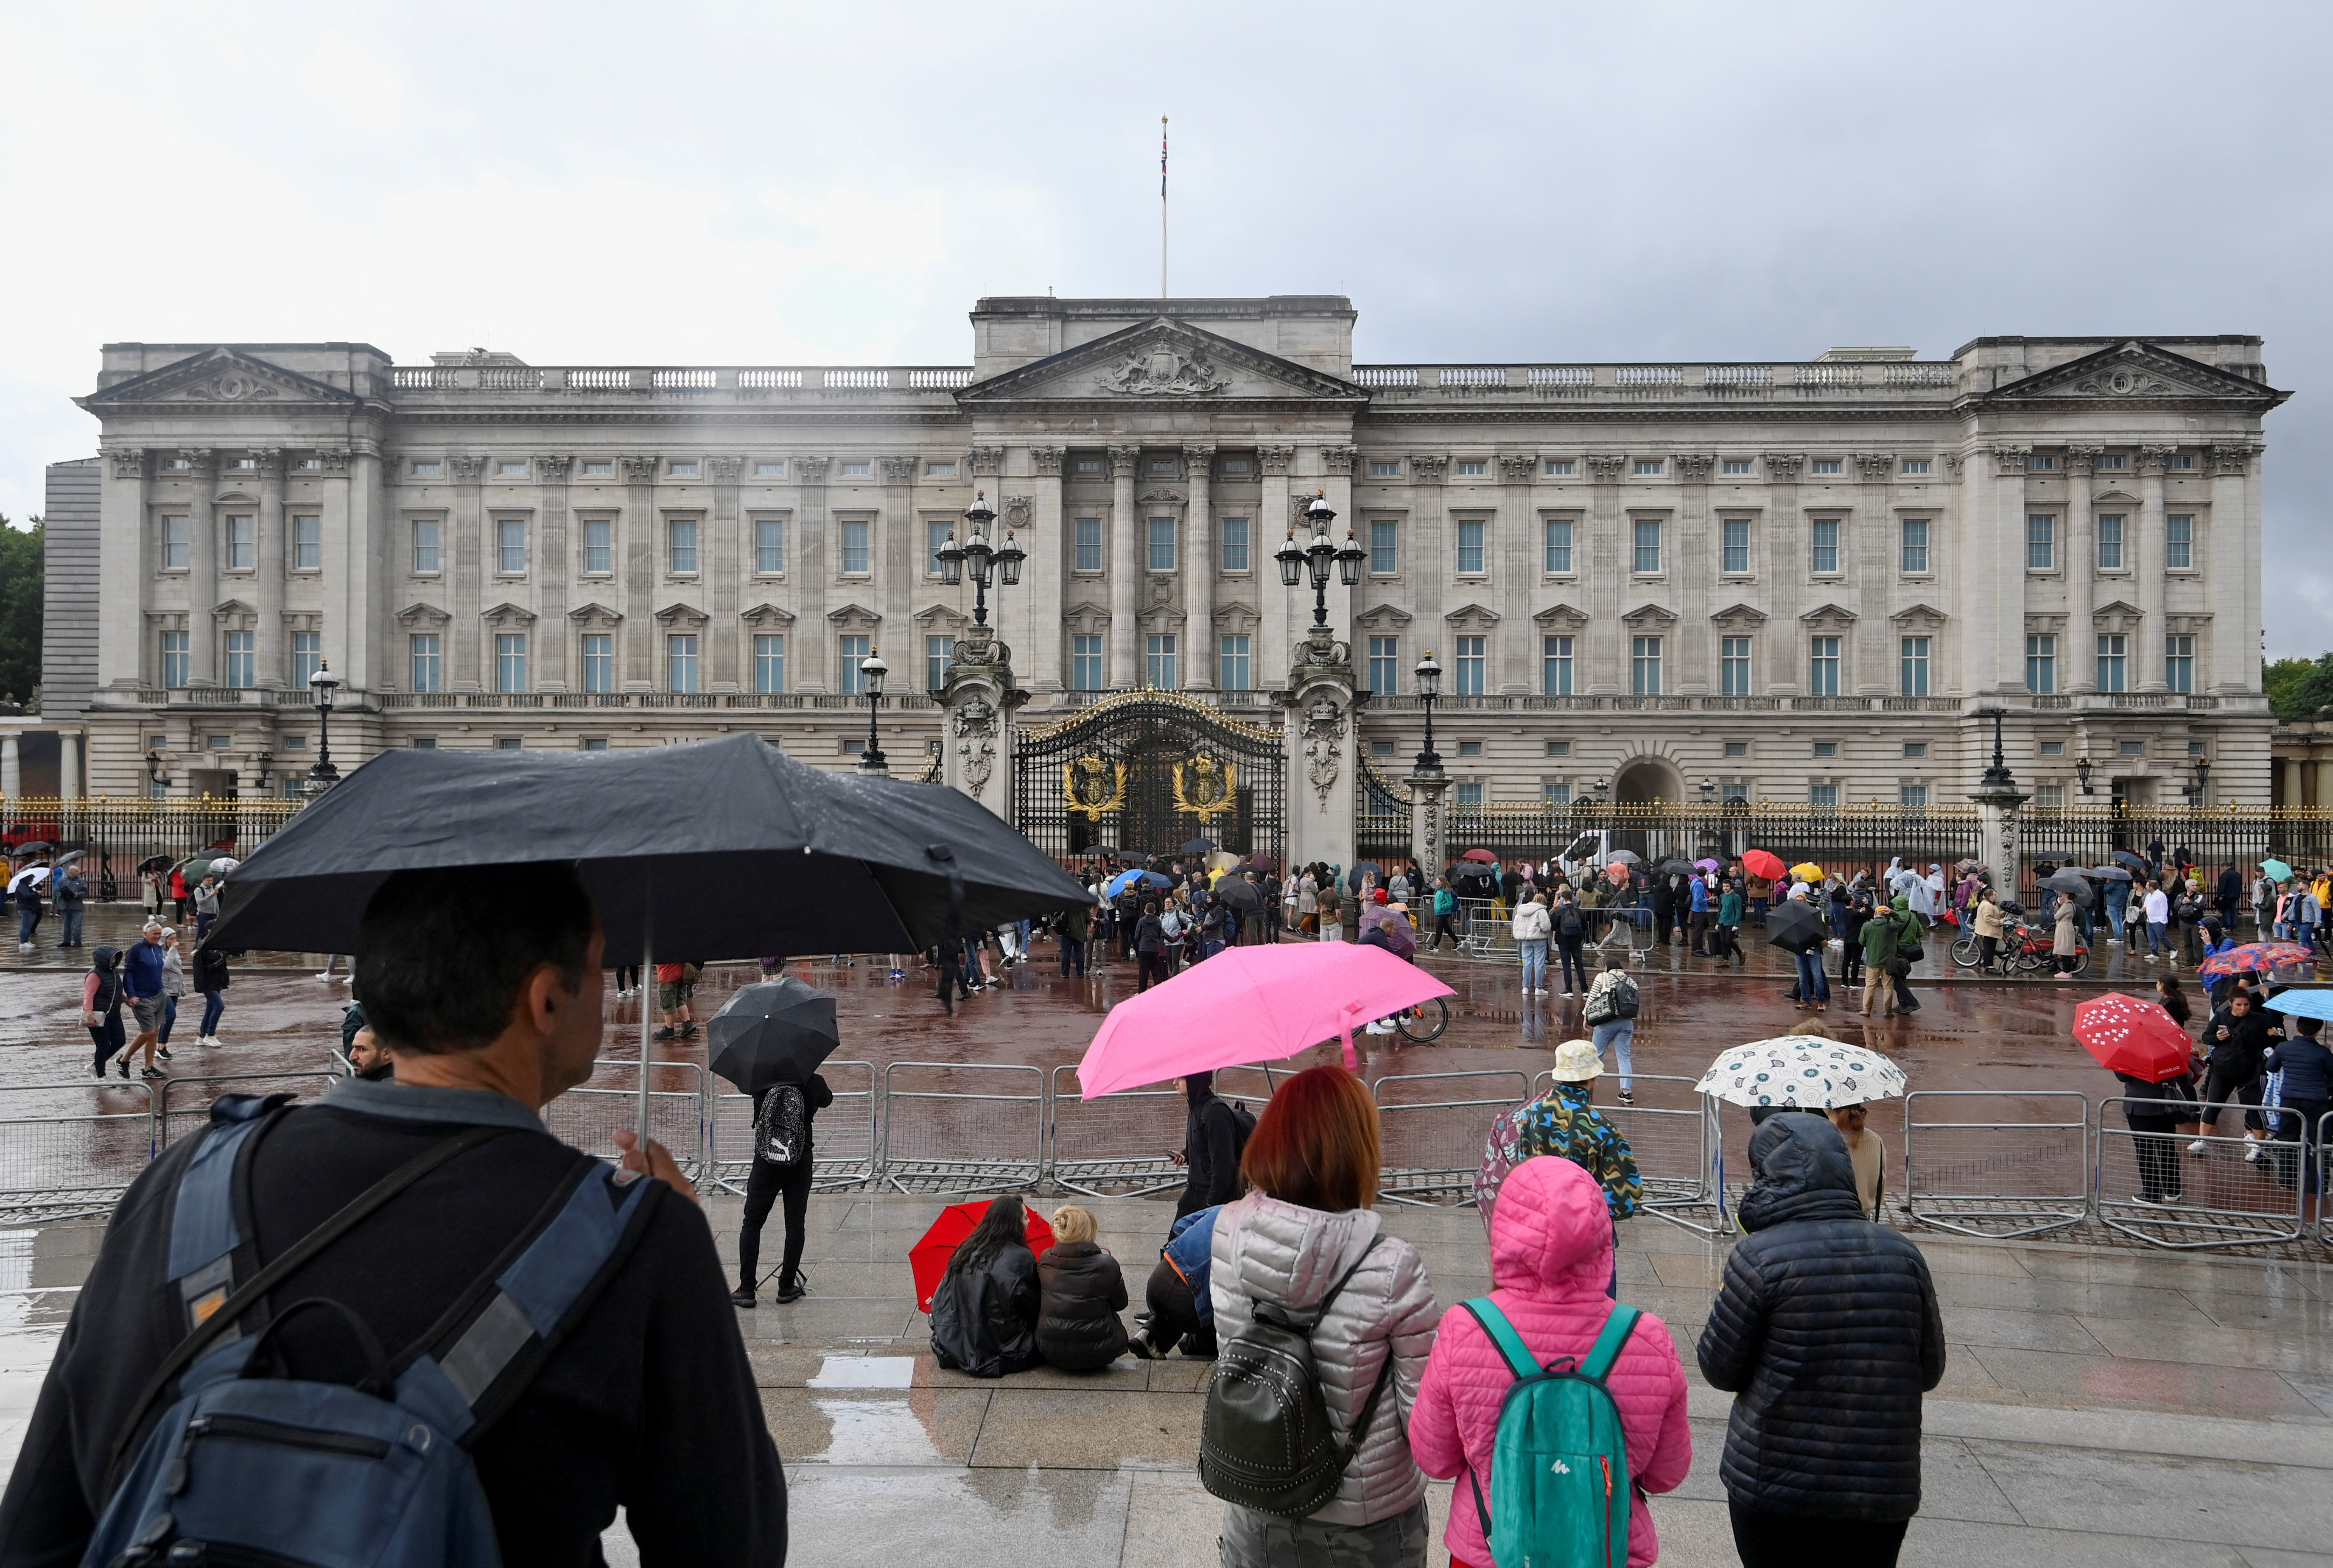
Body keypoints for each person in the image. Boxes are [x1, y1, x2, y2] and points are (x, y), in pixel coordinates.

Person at [0, 861, 787, 1566]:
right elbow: (732, 1543)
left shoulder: (182, 1180)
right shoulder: (642, 1238)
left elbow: (41, 1528)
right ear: (546, 998)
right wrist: (678, 1254)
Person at [1410, 1157, 1692, 1568]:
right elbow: (1666, 1474)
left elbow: (1435, 1457)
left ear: (1504, 1229)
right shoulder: (1646, 1336)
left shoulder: (1465, 1328)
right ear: (1600, 1232)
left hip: (1489, 1550)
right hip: (1605, 1550)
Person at [1211, 1066, 1437, 1567]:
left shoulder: (1227, 1231)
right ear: (1357, 1149)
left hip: (1258, 1503)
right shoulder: (1392, 1265)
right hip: (1367, 1527)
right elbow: (1427, 1428)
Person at [1697, 1115, 1945, 1568]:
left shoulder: (1759, 1256)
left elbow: (1719, 1368)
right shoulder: (1904, 1256)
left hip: (1774, 1480)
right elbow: (1928, 1371)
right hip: (1880, 1486)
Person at [732, 1071, 834, 1307]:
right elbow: (827, 1100)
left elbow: (748, 1093)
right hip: (799, 1161)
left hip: (766, 1163)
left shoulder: (761, 1080)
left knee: (752, 1223)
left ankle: (746, 1289)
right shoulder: (813, 1081)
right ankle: (786, 1285)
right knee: (795, 1224)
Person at [929, 1193, 1043, 1379]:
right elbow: (1032, 1308)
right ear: (1015, 1223)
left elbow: (942, 1301)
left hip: (956, 1344)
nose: (1029, 1221)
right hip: (1005, 1348)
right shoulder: (1021, 1258)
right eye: (1025, 1217)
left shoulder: (964, 1251)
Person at [1033, 1204, 1131, 1370]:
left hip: (1051, 1350)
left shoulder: (1045, 1259)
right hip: (1100, 1351)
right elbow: (1121, 1304)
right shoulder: (1107, 1264)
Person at [2194, 987, 2278, 1158]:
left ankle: (2257, 1146)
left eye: (2246, 1004)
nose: (2243, 1008)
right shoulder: (2221, 1017)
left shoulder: (2259, 1019)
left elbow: (2275, 1022)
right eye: (2239, 1005)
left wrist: (2267, 999)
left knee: (2253, 1109)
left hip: (2249, 1070)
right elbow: (2206, 1037)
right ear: (2231, 1004)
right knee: (2213, 1105)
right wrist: (2217, 1038)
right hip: (2222, 1069)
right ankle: (2202, 1140)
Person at [2266, 1015, 2333, 1216]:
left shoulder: (2284, 1048)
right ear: (2318, 1031)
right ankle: (2317, 1185)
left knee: (2288, 1139)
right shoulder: (2322, 1052)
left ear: (2297, 1028)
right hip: (2316, 1102)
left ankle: (2287, 1181)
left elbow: (2271, 1067)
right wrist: (2329, 1052)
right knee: (2318, 1143)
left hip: (2290, 1099)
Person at [1173, 1070, 1248, 1219]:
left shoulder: (1215, 1112)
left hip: (1216, 1198)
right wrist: (1186, 1154)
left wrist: (1210, 1203)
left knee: (1203, 1242)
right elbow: (1203, 1144)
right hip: (1195, 1192)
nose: (1175, 1082)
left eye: (1181, 1077)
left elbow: (1224, 1165)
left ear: (1195, 1080)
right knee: (1176, 1240)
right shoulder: (1196, 1107)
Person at [116, 920, 168, 1079]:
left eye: (160, 934)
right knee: (149, 1032)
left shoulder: (158, 948)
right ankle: (124, 1060)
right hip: (143, 998)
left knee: (156, 1032)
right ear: (145, 934)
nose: (158, 937)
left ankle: (148, 1068)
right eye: (155, 934)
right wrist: (131, 995)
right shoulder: (136, 950)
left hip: (159, 995)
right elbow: (129, 973)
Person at [1583, 957, 1639, 1102]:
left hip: (1606, 1021)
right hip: (1626, 1022)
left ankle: (1587, 1090)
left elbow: (1592, 998)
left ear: (1606, 967)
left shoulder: (1603, 977)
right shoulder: (1628, 979)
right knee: (1624, 1058)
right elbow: (1636, 990)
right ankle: (1626, 1092)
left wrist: (1586, 1016)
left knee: (1597, 1056)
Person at [1829, 1100, 1886, 1219]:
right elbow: (1881, 1179)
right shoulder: (1875, 1139)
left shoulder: (1822, 1139)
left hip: (1830, 1217)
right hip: (1862, 1216)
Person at [81, 945, 126, 1080]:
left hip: (113, 1014)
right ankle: (100, 1076)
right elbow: (89, 996)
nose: (115, 960)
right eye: (112, 957)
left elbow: (115, 991)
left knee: (120, 1041)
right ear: (104, 959)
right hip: (98, 1016)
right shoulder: (94, 975)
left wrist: (126, 1000)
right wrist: (90, 1015)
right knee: (103, 1044)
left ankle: (96, 1065)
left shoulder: (113, 972)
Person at [155, 927, 190, 1060]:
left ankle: (160, 1046)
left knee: (166, 1017)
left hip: (175, 987)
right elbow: (166, 966)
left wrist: (182, 987)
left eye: (175, 938)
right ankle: (162, 1045)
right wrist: (173, 949)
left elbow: (178, 969)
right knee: (171, 1015)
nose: (175, 941)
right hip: (165, 988)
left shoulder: (173, 951)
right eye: (171, 939)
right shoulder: (160, 951)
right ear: (165, 940)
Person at [1553, 886, 1591, 995]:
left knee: (1566, 966)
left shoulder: (1559, 912)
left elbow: (1553, 927)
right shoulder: (1579, 911)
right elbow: (1585, 927)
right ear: (1573, 899)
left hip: (1563, 941)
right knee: (1579, 965)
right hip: (1577, 941)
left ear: (1563, 899)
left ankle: (1569, 990)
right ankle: (1584, 990)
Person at [1512, 890, 1551, 997]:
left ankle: (1525, 987)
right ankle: (1538, 987)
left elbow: (1517, 924)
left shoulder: (1522, 910)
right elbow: (1546, 927)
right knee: (1539, 963)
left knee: (1527, 963)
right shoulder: (1542, 911)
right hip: (1539, 939)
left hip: (1526, 940)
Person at [52, 861, 86, 950]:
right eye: (77, 871)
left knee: (77, 925)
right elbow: (56, 891)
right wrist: (63, 895)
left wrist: (77, 895)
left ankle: (78, 941)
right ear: (71, 872)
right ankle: (67, 941)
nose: (78, 873)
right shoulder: (62, 881)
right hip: (65, 906)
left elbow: (85, 892)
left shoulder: (81, 882)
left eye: (78, 871)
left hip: (77, 906)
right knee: (66, 925)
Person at [1134, 899, 1167, 991]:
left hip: (1144, 948)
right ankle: (1159, 990)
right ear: (1155, 911)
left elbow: (1137, 936)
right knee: (1156, 971)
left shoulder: (1141, 921)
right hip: (1155, 948)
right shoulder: (1157, 921)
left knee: (1144, 972)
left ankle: (1142, 991)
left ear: (1145, 911)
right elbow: (1160, 934)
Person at [11, 862, 42, 951]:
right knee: (25, 926)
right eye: (32, 879)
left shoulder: (27, 886)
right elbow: (26, 895)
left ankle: (26, 941)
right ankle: (23, 942)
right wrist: (36, 893)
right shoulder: (22, 887)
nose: (33, 881)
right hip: (26, 908)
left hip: (30, 908)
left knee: (28, 926)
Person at [1714, 876, 1745, 967]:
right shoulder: (1722, 896)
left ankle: (1741, 953)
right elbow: (1720, 909)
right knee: (1723, 941)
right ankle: (1725, 960)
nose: (1725, 888)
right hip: (1722, 921)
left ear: (1730, 886)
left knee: (1728, 941)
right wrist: (1717, 922)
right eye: (1724, 886)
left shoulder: (1736, 897)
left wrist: (1736, 924)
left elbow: (1739, 911)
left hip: (1731, 922)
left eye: (1727, 886)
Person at [1057, 896, 1090, 978]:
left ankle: (1065, 973)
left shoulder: (1064, 901)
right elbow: (1088, 919)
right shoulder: (1084, 903)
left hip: (1066, 931)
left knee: (1066, 953)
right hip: (1080, 932)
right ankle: (1080, 972)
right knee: (1080, 952)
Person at [2052, 890, 2081, 978]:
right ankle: (2067, 971)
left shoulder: (2066, 905)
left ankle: (2066, 971)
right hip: (2068, 927)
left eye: (2063, 894)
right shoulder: (2072, 904)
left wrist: (2057, 908)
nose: (2061, 895)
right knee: (2067, 951)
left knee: (2064, 951)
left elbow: (2057, 916)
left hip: (2064, 928)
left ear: (2067, 894)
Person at [2143, 878, 2173, 964]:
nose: (2146, 886)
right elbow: (2146, 906)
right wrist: (2142, 910)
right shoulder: (2149, 896)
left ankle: (2172, 949)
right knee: (2151, 937)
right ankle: (2154, 953)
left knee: (2161, 936)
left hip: (2158, 920)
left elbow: (2164, 908)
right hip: (2150, 920)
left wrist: (2162, 920)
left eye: (2147, 885)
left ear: (2151, 887)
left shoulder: (2161, 895)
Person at [1429, 878, 1461, 951]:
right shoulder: (1440, 890)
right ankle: (1458, 942)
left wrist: (1442, 907)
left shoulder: (1446, 891)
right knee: (1447, 929)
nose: (1436, 881)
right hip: (1441, 912)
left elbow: (1450, 903)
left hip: (1445, 912)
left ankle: (1435, 946)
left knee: (1439, 929)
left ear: (1442, 881)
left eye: (1438, 880)